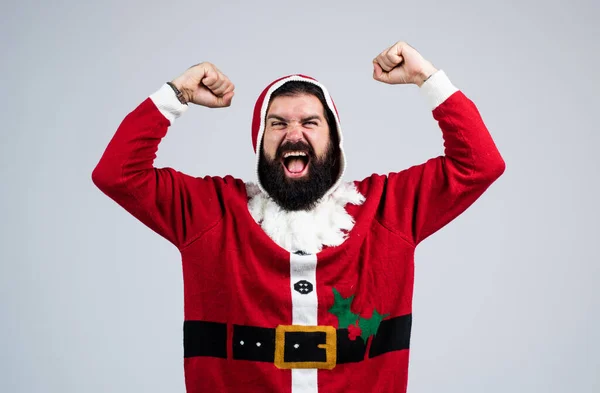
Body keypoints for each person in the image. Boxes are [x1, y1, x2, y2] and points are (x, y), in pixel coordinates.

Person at [92, 40, 505, 393]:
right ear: (259, 142)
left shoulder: (388, 209)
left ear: (334, 140)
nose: (294, 134)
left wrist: (426, 77)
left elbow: (480, 164)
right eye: (277, 124)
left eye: (310, 121)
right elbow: (118, 174)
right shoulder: (209, 212)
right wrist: (175, 94)